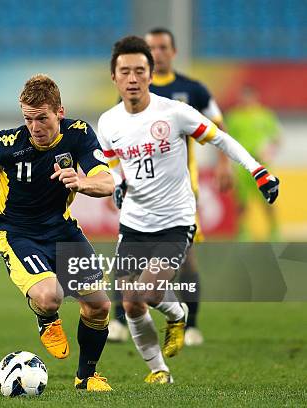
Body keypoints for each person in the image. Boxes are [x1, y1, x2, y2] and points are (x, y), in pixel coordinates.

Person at [97, 36, 279, 384]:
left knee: (148, 293)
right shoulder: (108, 123)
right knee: (130, 303)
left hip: (176, 221)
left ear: (151, 75)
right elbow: (112, 162)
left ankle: (177, 312)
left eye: (140, 70)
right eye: (125, 71)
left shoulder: (174, 112)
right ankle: (159, 372)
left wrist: (258, 171)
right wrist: (118, 183)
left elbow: (220, 138)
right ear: (114, 78)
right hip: (133, 223)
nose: (132, 78)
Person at [0, 74, 116, 391]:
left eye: (42, 118)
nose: (35, 127)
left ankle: (86, 377)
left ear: (60, 111)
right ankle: (46, 319)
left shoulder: (79, 133)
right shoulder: (8, 144)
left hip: (61, 229)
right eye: (28, 119)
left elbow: (107, 182)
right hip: (16, 234)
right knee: (49, 297)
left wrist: (82, 182)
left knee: (99, 305)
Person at [107, 27, 233, 346]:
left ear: (172, 52)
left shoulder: (192, 91)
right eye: (152, 47)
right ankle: (120, 320)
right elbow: (118, 142)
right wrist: (116, 181)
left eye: (162, 47)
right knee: (125, 257)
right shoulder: (128, 94)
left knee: (186, 259)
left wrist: (223, 164)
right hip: (139, 195)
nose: (157, 53)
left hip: (181, 193)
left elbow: (218, 127)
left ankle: (190, 322)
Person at [226, 85, 281, 241]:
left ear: (255, 97)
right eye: (244, 96)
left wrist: (269, 150)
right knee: (242, 203)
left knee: (268, 199)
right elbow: (226, 140)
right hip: (242, 167)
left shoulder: (265, 115)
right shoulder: (234, 117)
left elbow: (276, 138)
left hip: (262, 166)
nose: (246, 100)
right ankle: (243, 233)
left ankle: (275, 231)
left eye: (249, 96)